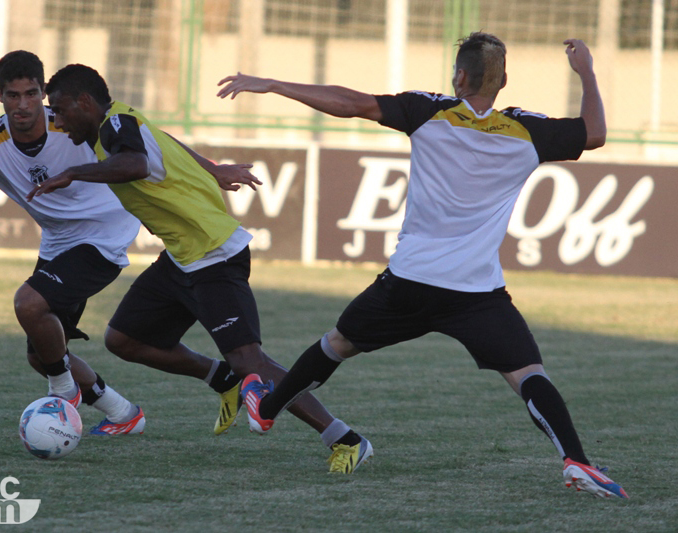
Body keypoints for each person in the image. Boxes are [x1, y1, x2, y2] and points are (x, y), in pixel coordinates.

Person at [217, 34, 629, 497]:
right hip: (475, 293)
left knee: (337, 344)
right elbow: (594, 133)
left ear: (459, 77)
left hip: (409, 283)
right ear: (504, 81)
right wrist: (587, 72)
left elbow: (351, 102)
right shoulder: (527, 132)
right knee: (528, 375)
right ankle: (576, 461)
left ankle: (267, 411)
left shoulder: (428, 112)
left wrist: (272, 83)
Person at [28, 63, 373, 472]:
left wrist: (72, 173)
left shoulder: (114, 125)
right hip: (181, 258)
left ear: (85, 102)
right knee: (123, 339)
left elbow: (136, 164)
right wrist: (213, 167)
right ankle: (223, 381)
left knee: (252, 362)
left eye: (61, 109)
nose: (59, 121)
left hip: (213, 255)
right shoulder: (122, 120)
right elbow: (164, 141)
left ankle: (345, 439)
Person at [0, 50, 246, 437]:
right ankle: (127, 411)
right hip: (59, 243)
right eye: (12, 96)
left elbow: (149, 137)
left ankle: (63, 392)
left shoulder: (71, 120)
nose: (23, 105)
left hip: (106, 232)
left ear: (42, 93)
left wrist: (212, 168)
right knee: (43, 354)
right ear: (1, 98)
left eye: (31, 94)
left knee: (30, 303)